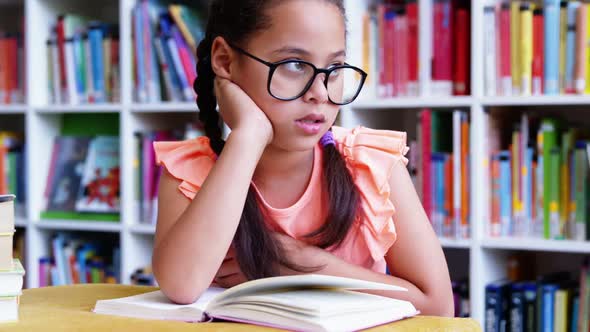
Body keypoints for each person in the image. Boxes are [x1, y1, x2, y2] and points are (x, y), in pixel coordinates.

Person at [152, 0, 454, 316]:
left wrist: (300, 264)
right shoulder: (192, 170)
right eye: (295, 65)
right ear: (225, 61)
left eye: (335, 69)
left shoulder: (370, 164)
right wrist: (248, 135)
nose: (320, 93)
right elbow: (181, 285)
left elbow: (438, 307)